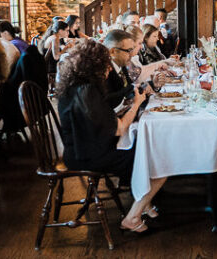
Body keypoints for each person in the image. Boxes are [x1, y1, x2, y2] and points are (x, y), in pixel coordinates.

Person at [55, 41, 166, 234]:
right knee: (160, 159)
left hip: (81, 148)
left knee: (144, 143)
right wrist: (136, 103)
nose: (108, 68)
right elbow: (120, 129)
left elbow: (104, 109)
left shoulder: (77, 86)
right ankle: (133, 217)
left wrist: (133, 95)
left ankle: (144, 202)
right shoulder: (86, 91)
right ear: (95, 65)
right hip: (88, 155)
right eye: (105, 64)